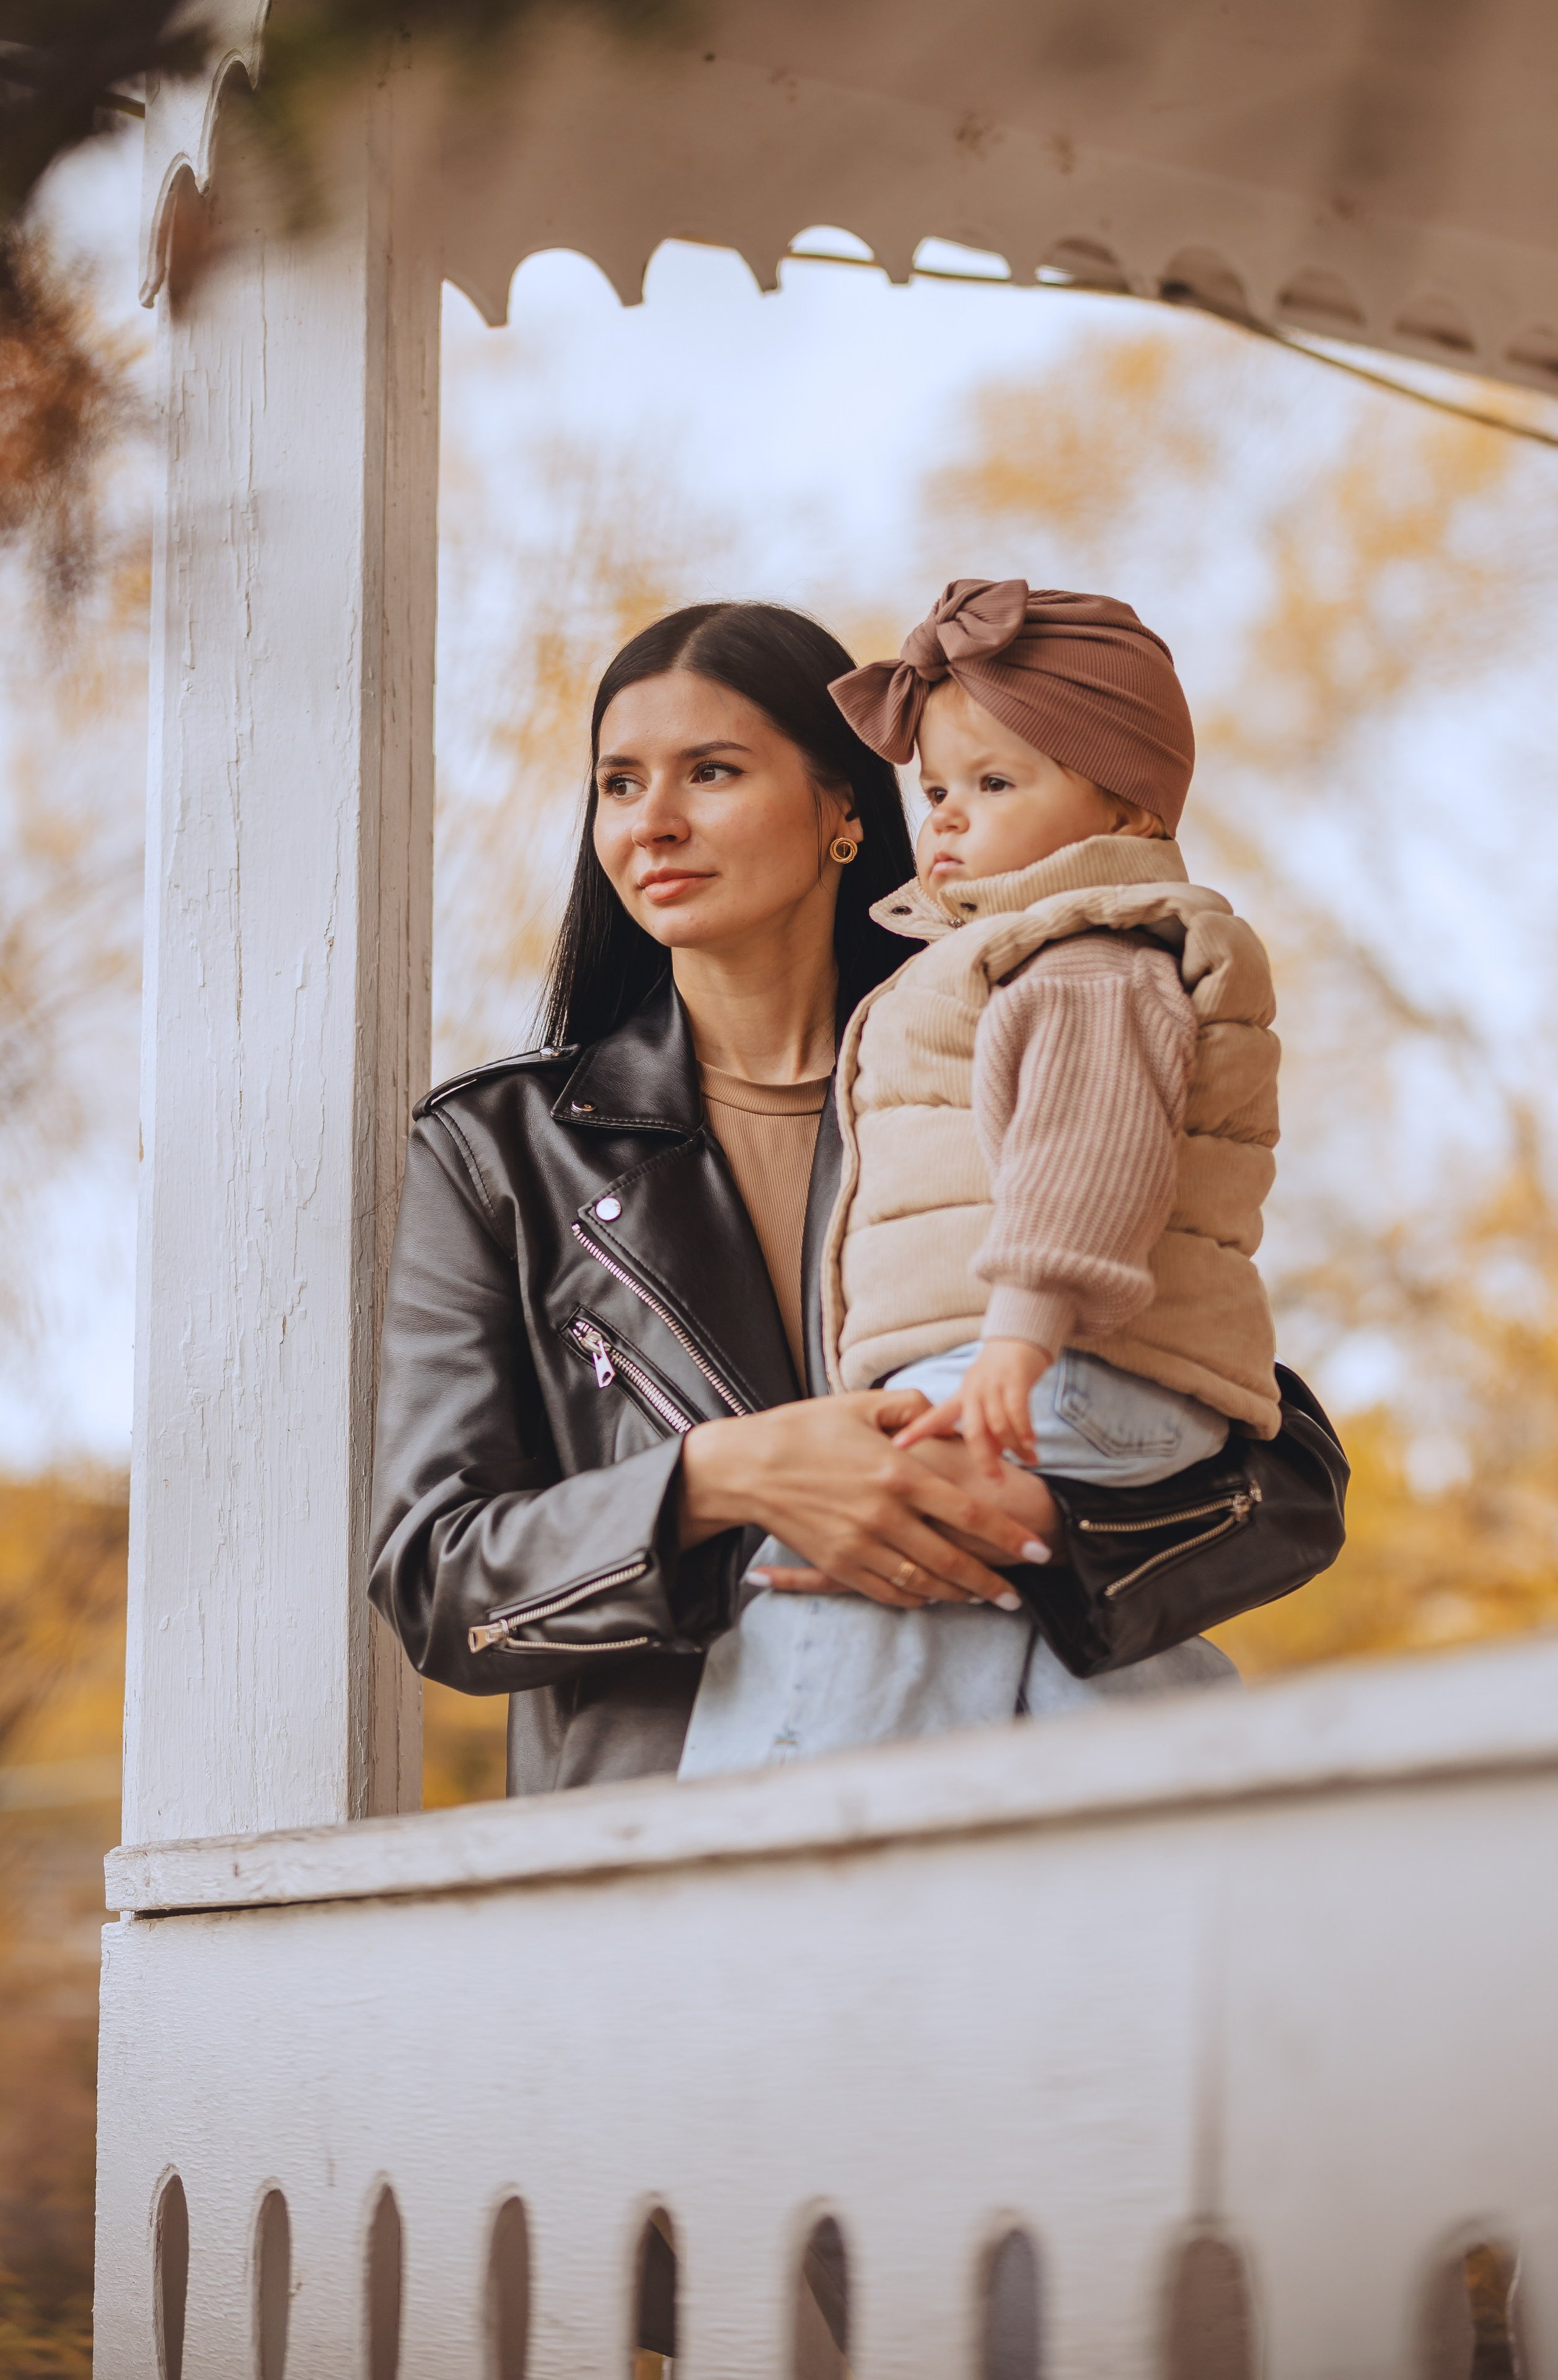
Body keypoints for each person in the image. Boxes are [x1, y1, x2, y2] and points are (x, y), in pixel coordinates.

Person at [368, 595, 1300, 1798]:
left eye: (709, 771)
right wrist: (719, 1478)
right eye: (616, 783)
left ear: (845, 810)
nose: (651, 822)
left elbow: (1281, 1476)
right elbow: (437, 1582)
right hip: (677, 1850)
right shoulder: (495, 1149)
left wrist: (1040, 1525)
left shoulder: (1028, 1032)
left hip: (1036, 1825)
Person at [677, 579, 1273, 1776]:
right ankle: (1190, 1809)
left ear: (1133, 808)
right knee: (1041, 1639)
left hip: (1051, 1364)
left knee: (847, 1565)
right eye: (938, 788)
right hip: (1064, 1367)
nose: (946, 819)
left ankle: (748, 1847)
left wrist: (1019, 1336)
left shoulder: (1087, 956)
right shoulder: (1014, 955)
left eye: (996, 786)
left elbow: (1086, 1161)